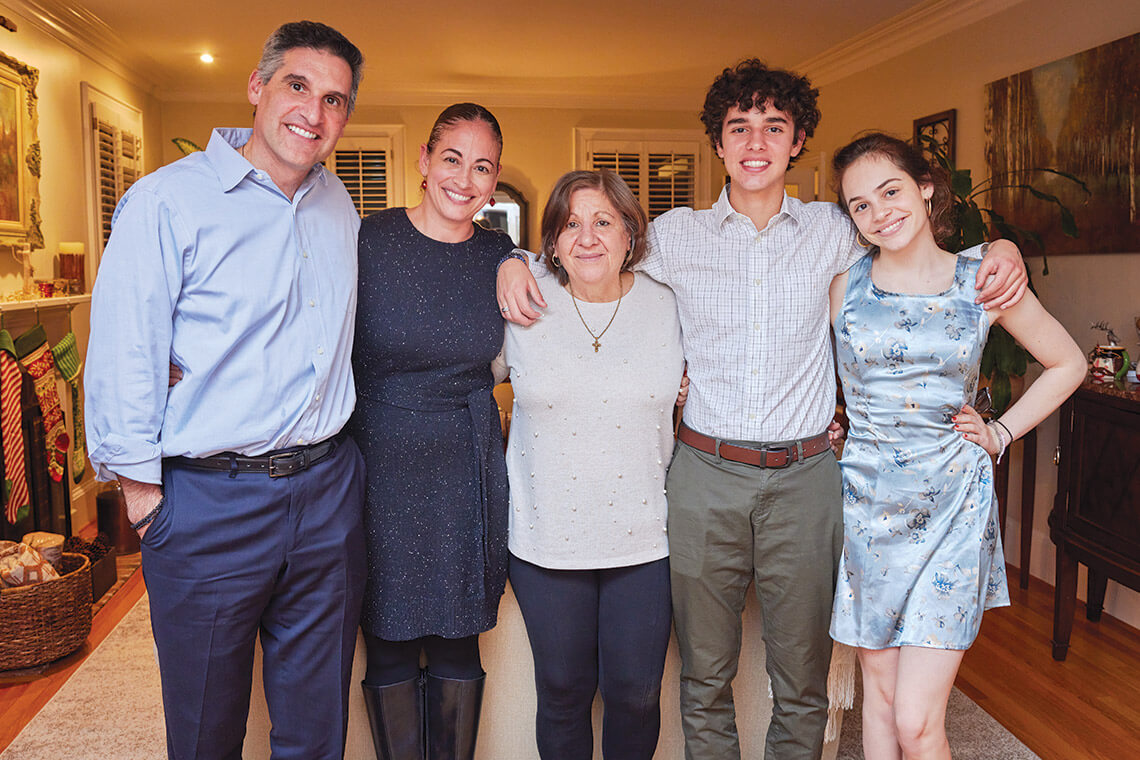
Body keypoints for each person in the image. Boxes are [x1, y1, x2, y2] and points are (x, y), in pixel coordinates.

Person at [497, 59, 1029, 760]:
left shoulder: (840, 230)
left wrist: (1002, 249)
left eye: (773, 127)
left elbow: (920, 248)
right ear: (718, 143)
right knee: (704, 676)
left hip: (806, 478)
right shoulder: (674, 237)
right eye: (738, 127)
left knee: (800, 679)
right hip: (703, 475)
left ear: (798, 139)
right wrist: (507, 259)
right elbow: (585, 250)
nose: (755, 142)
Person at [85, 21, 365, 760]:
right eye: (297, 86)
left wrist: (509, 260)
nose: (314, 111)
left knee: (316, 729)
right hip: (209, 501)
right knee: (207, 730)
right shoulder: (165, 202)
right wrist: (144, 503)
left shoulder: (340, 207)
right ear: (256, 87)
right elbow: (123, 352)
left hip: (328, 494)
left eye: (335, 99)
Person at [827, 133, 1085, 760]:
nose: (879, 212)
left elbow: (1068, 363)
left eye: (890, 191)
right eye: (860, 205)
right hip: (866, 507)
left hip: (953, 510)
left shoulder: (985, 278)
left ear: (925, 186)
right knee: (881, 704)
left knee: (918, 720)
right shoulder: (842, 290)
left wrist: (999, 433)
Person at [494, 170, 685, 759]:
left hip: (646, 538)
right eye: (571, 224)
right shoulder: (522, 301)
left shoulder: (669, 303)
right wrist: (507, 257)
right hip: (547, 538)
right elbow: (457, 377)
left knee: (635, 693)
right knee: (561, 690)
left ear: (630, 232)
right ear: (551, 241)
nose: (587, 237)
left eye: (603, 221)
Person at [351, 102, 514, 760]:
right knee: (386, 634)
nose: (465, 179)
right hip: (377, 458)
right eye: (452, 159)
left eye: (482, 167)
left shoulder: (501, 253)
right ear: (423, 161)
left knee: (456, 636)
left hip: (465, 464)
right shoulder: (367, 240)